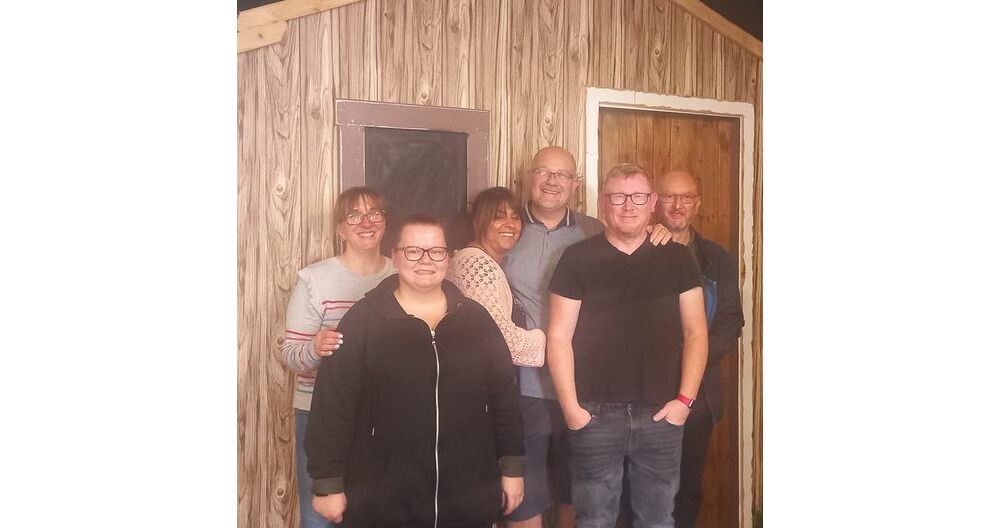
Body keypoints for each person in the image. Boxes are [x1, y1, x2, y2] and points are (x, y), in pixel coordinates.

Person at [305, 214, 526, 528]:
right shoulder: (362, 322)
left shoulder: (476, 320)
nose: (425, 260)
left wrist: (512, 467)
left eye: (436, 251)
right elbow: (332, 406)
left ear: (448, 258)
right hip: (384, 498)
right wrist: (327, 482)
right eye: (413, 251)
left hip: (467, 494)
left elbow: (504, 396)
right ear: (395, 257)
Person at [502, 147, 672, 528]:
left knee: (579, 493)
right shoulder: (507, 228)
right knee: (524, 494)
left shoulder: (597, 229)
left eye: (562, 174)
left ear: (576, 184)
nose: (552, 181)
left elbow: (636, 243)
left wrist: (658, 229)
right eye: (543, 172)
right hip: (526, 386)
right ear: (529, 177)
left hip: (589, 390)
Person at [547, 163, 709, 528]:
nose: (628, 205)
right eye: (618, 196)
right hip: (594, 414)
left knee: (656, 520)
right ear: (604, 202)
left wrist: (683, 402)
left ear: (652, 202)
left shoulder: (677, 258)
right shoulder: (577, 259)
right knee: (594, 520)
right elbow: (558, 337)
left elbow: (697, 332)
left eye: (637, 196)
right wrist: (572, 409)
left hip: (661, 414)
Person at [280, 186, 396, 528]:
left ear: (385, 223)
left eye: (375, 213)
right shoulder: (314, 280)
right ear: (339, 228)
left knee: (375, 511)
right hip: (319, 414)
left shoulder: (401, 275)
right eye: (354, 215)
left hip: (382, 415)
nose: (366, 222)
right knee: (320, 516)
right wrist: (314, 348)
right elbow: (292, 355)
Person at [654, 170, 745, 528]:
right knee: (639, 486)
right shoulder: (642, 249)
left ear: (697, 204)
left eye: (686, 197)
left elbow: (731, 321)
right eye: (670, 196)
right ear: (656, 201)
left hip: (700, 396)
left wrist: (695, 356)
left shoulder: (716, 259)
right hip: (646, 391)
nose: (678, 205)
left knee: (687, 488)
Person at [447, 187, 545, 368]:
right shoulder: (477, 265)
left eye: (515, 217)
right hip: (477, 381)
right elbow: (502, 340)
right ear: (477, 222)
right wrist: (553, 339)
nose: (510, 224)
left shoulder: (471, 259)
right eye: (499, 216)